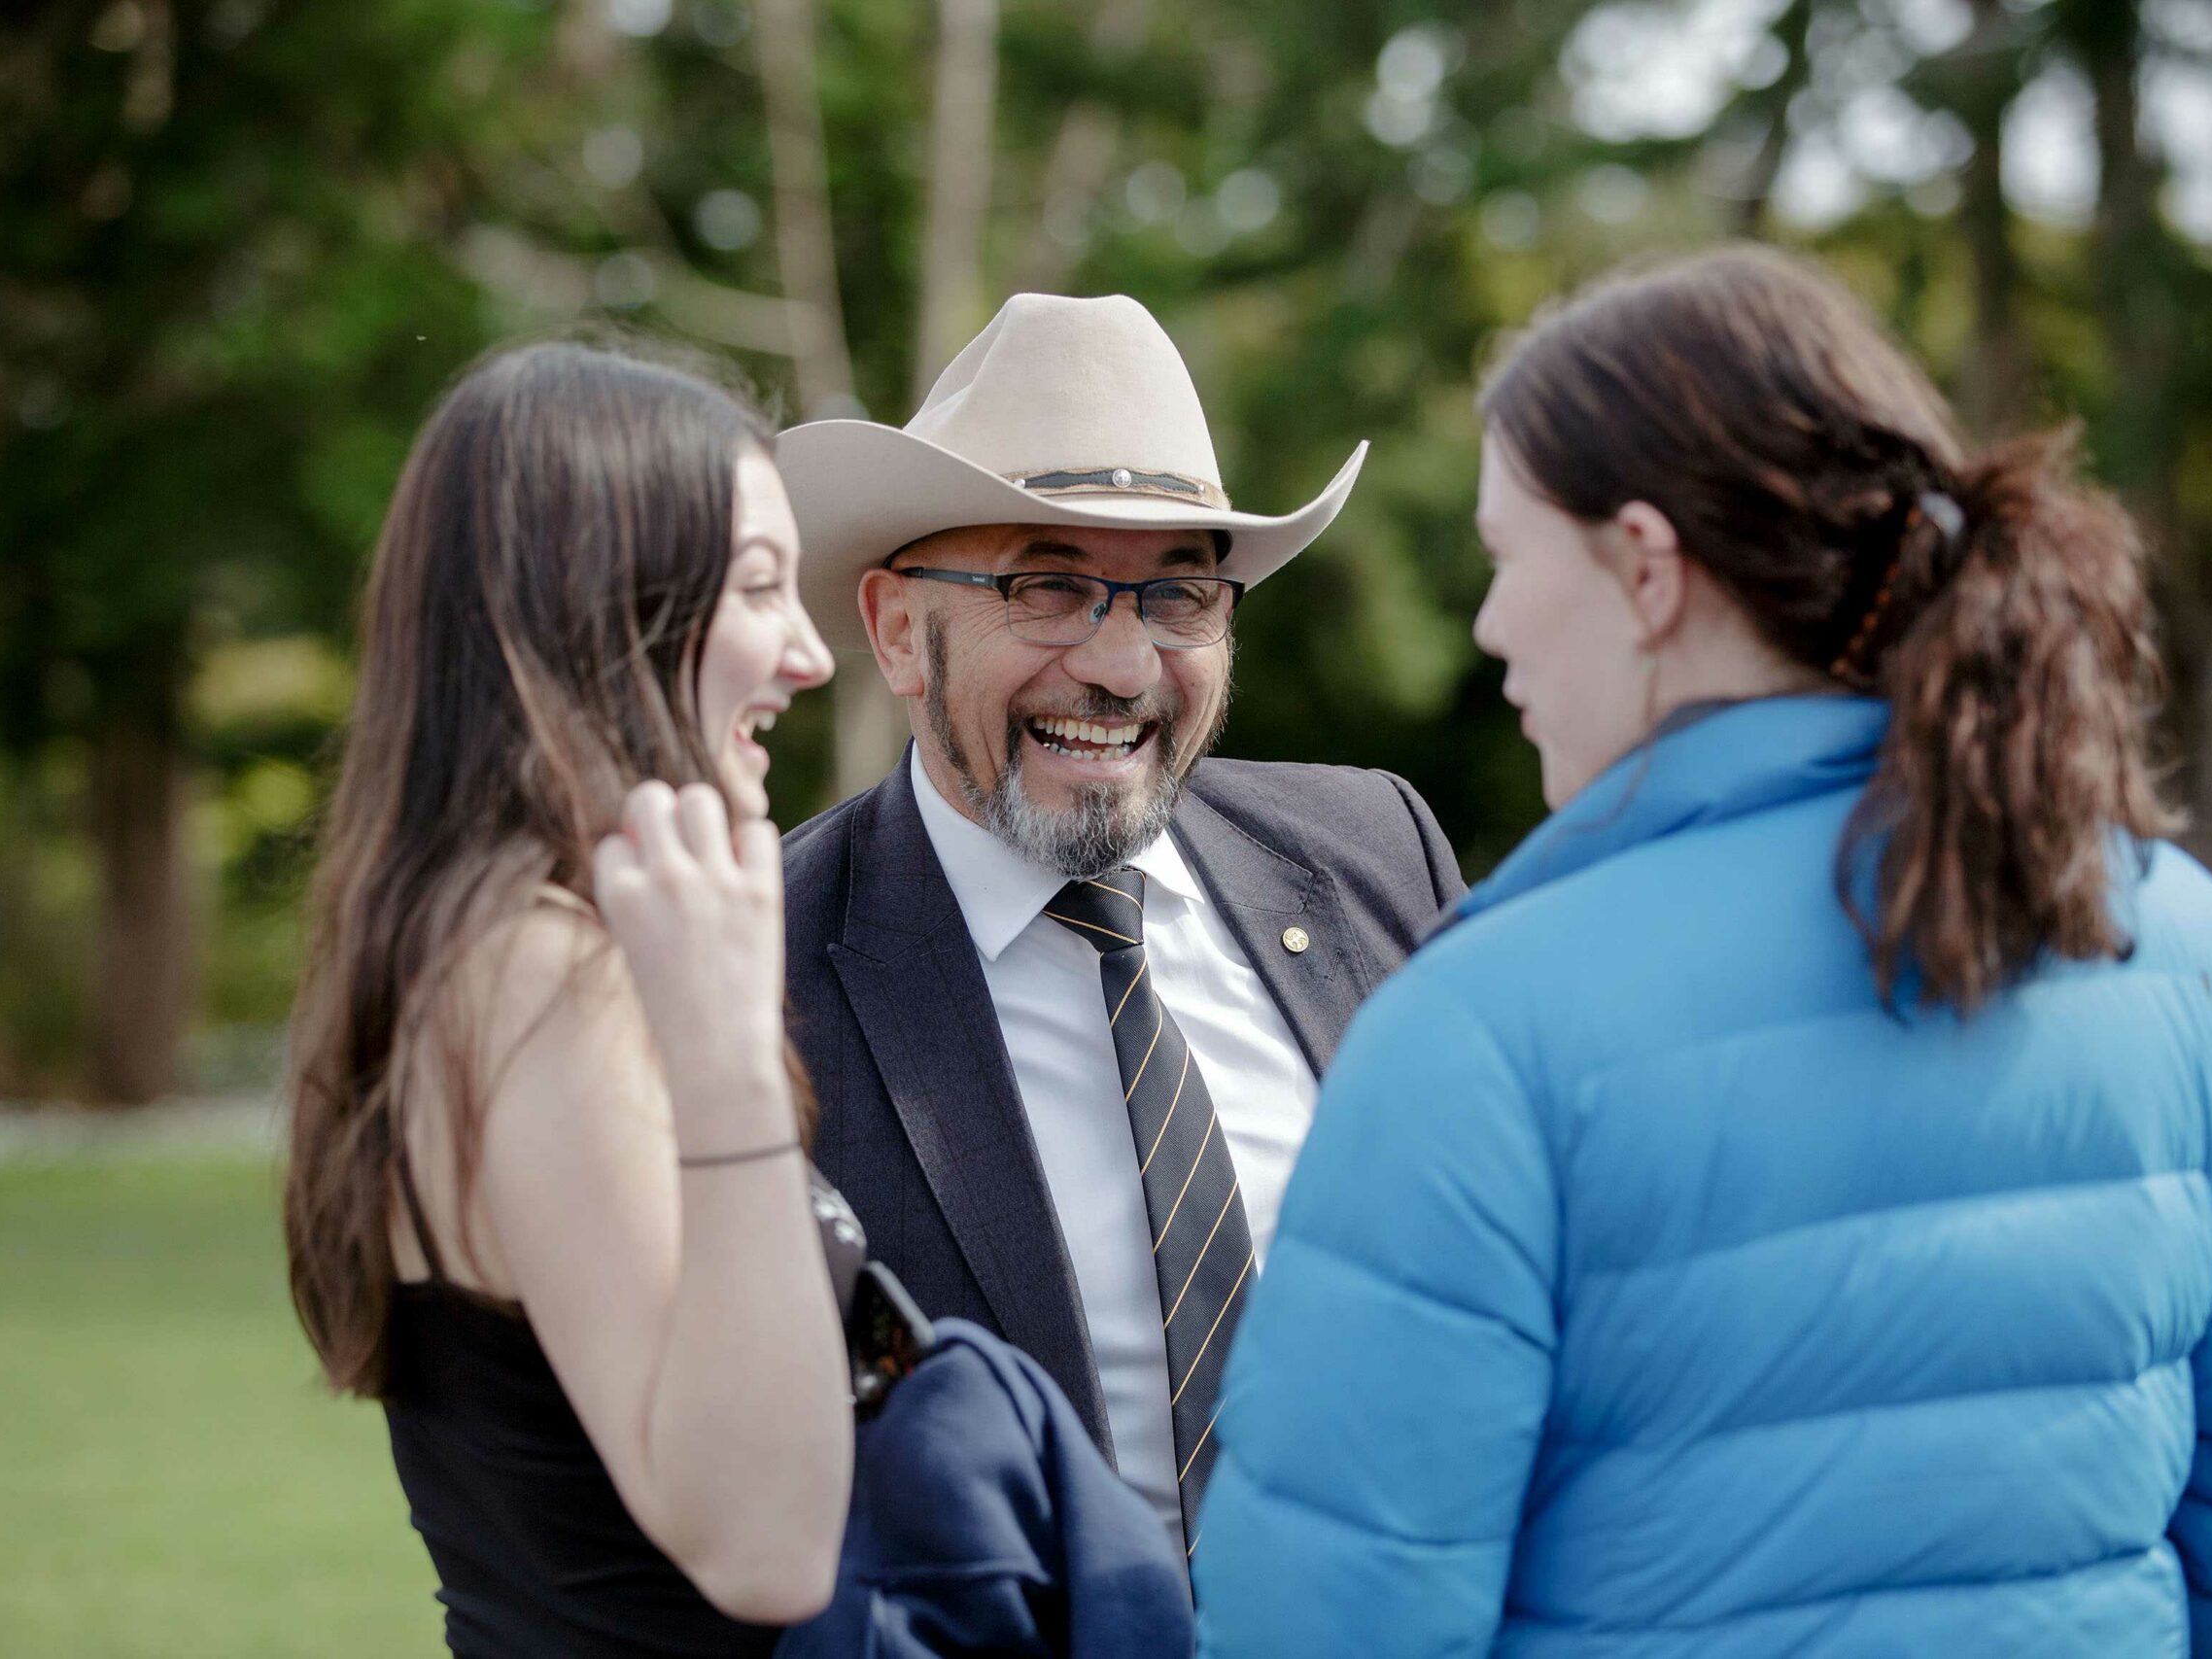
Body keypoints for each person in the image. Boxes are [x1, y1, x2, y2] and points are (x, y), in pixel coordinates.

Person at [1193, 246, 2212, 1656]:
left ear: (1646, 569)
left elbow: (1327, 1629)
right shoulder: (2199, 951)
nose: (1490, 626)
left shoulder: (1476, 1032)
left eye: (1508, 557)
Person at [771, 292, 1467, 1561]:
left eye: (1180, 596)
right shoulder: (754, 975)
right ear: (894, 631)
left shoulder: (1376, 858)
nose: (1123, 666)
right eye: (1048, 585)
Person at [281, 340, 854, 1655]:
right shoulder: (543, 979)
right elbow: (764, 1545)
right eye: (762, 588)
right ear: (607, 607)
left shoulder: (477, 952)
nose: (810, 655)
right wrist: (723, 1058)